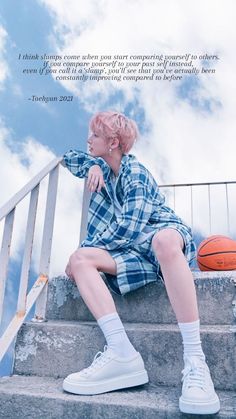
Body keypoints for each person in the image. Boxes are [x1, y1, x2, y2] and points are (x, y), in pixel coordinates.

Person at [62, 111, 220, 415]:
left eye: (94, 136)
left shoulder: (136, 173)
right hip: (133, 254)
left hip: (160, 238)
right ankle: (122, 353)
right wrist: (93, 163)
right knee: (80, 259)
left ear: (113, 142)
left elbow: (127, 229)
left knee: (162, 242)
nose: (87, 140)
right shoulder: (103, 170)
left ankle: (196, 360)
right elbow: (69, 158)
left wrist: (88, 244)